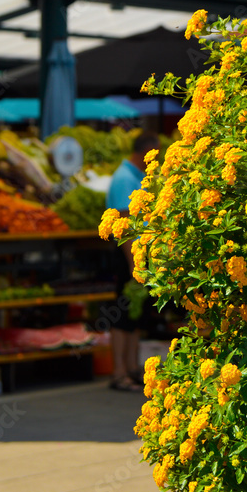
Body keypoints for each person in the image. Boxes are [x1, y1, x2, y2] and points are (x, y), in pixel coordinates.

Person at [105, 131, 160, 392]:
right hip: (129, 254)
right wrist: (134, 264)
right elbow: (126, 228)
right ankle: (118, 372)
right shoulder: (125, 179)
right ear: (144, 153)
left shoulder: (137, 177)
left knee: (136, 314)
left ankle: (131, 368)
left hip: (142, 254)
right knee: (123, 313)